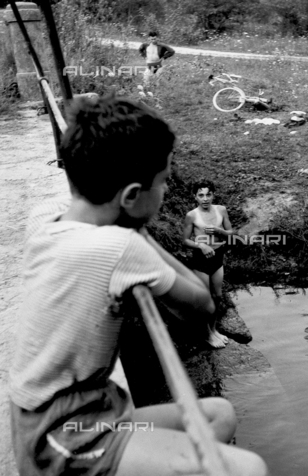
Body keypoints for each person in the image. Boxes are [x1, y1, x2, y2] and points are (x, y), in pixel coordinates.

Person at [9, 96, 268, 476]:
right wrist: (140, 235)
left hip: (74, 413)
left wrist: (128, 225)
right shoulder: (120, 246)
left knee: (219, 415)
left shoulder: (46, 216)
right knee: (249, 468)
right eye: (162, 183)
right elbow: (202, 306)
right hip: (64, 436)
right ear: (131, 196)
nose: (165, 194)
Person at [183, 180, 234, 349]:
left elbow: (231, 233)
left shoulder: (221, 210)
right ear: (195, 197)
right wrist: (201, 246)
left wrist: (220, 231)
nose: (205, 199)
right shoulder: (192, 215)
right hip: (201, 258)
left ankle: (213, 330)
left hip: (218, 257)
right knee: (204, 299)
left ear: (213, 195)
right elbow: (184, 240)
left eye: (208, 194)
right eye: (201, 195)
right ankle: (207, 335)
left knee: (217, 296)